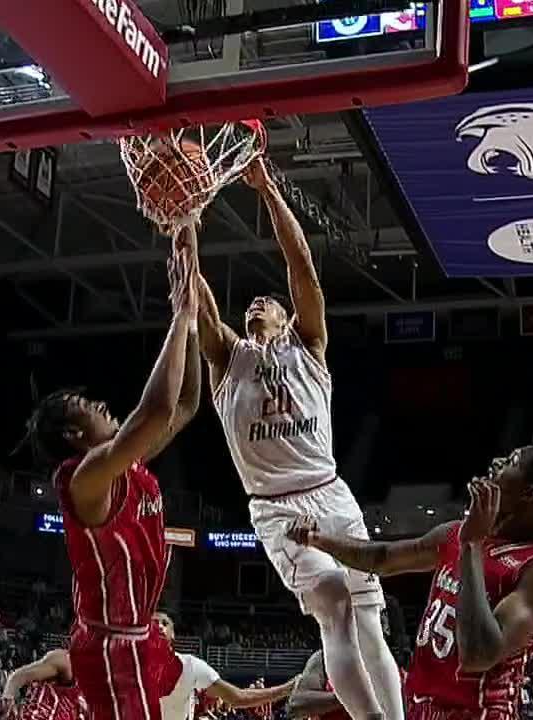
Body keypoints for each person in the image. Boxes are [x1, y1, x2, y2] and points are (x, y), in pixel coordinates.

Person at [195, 156, 402, 720]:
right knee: (334, 606)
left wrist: (267, 189)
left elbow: (302, 265)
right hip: (279, 505)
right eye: (251, 304)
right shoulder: (229, 360)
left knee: (367, 618)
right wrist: (186, 226)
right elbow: (200, 306)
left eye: (268, 301)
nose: (257, 303)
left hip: (332, 492)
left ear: (287, 317)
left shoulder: (308, 346)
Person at [24, 236, 202, 720]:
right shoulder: (84, 481)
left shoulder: (127, 467)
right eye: (91, 408)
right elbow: (157, 408)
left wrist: (194, 303)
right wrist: (179, 317)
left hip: (139, 637)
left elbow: (185, 404)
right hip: (109, 646)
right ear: (75, 432)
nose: (104, 406)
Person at [289, 436, 533, 720]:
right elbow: (382, 558)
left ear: (529, 494)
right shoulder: (455, 533)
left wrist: (471, 546)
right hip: (422, 708)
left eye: (512, 461)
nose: (497, 461)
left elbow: (478, 654)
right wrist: (319, 539)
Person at [152, 611, 296, 720]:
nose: (159, 626)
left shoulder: (191, 665)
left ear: (173, 634)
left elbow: (238, 697)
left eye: (165, 623)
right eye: (154, 622)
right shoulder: (130, 667)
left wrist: (286, 688)